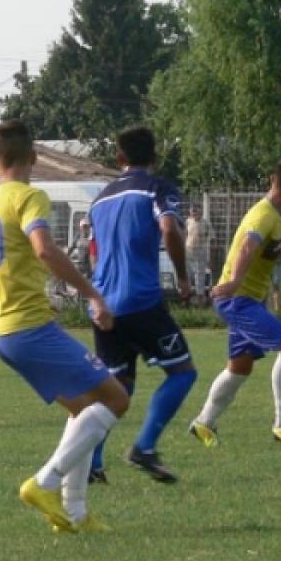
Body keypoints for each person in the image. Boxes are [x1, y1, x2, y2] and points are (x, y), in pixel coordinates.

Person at [0, 120, 128, 533]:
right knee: (115, 398)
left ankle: (74, 513)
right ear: (34, 157)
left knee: (83, 406)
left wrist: (0, 306)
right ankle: (44, 483)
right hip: (30, 327)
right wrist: (92, 294)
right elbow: (44, 249)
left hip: (2, 331)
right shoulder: (29, 196)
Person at [85, 126, 196, 485]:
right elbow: (169, 229)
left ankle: (92, 463)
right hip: (141, 300)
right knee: (183, 372)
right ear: (155, 157)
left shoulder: (99, 200)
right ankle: (145, 446)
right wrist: (182, 277)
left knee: (118, 387)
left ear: (119, 158)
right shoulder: (157, 188)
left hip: (104, 304)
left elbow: (93, 252)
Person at [188, 156, 281, 448]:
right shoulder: (263, 214)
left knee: (240, 367)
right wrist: (233, 281)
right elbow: (247, 246)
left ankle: (204, 422)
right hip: (237, 299)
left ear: (273, 180)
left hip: (249, 299)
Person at [184, 205, 212, 302]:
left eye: (196, 211)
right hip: (189, 250)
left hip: (201, 251)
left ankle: (200, 296)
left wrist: (211, 249)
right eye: (192, 211)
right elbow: (184, 234)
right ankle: (187, 295)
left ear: (200, 212)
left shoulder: (206, 223)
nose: (194, 213)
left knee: (200, 273)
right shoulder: (188, 221)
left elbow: (211, 236)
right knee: (187, 272)